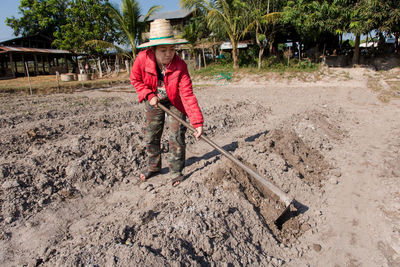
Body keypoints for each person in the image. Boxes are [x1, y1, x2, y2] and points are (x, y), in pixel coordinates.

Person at [130, 19, 204, 187]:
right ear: (153, 49)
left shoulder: (180, 66)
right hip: (153, 100)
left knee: (176, 136)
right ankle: (153, 166)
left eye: (172, 49)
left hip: (174, 102)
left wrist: (197, 122)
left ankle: (176, 171)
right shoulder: (142, 59)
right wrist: (149, 94)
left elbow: (187, 94)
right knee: (151, 134)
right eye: (163, 50)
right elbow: (135, 79)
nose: (168, 54)